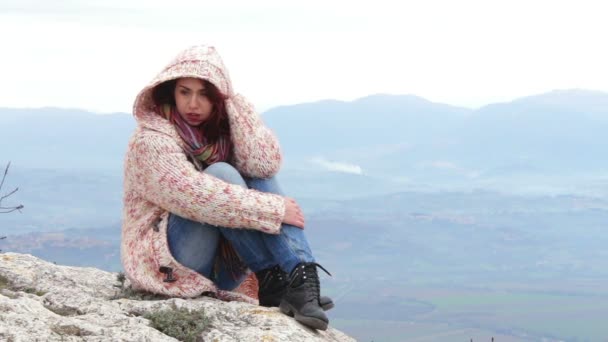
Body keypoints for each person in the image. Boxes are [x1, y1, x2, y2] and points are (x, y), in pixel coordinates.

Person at [120, 45, 333, 330]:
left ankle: (296, 278)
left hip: (221, 267)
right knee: (221, 173)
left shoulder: (219, 134)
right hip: (170, 266)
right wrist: (275, 209)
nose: (193, 104)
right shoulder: (150, 142)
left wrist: (235, 105)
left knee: (253, 175)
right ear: (171, 91)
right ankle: (280, 277)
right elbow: (194, 197)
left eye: (205, 94)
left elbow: (265, 165)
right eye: (185, 92)